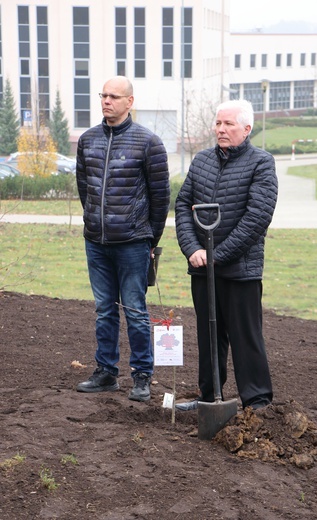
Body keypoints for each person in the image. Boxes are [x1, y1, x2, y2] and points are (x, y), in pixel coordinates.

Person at [175, 99, 278, 411]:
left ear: (246, 129)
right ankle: (208, 398)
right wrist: (192, 249)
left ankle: (257, 402)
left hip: (241, 269)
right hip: (201, 267)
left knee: (246, 336)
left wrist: (217, 255)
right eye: (218, 123)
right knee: (208, 335)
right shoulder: (202, 161)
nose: (221, 129)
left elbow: (257, 217)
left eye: (228, 124)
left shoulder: (261, 163)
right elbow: (182, 205)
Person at [75, 76, 170, 401]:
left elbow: (161, 198)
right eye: (103, 95)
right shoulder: (87, 140)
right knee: (104, 309)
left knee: (135, 309)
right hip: (96, 242)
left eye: (114, 96)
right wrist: (94, 222)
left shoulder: (149, 142)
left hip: (133, 243)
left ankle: (142, 376)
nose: (106, 101)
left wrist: (148, 240)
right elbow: (84, 188)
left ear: (130, 102)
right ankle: (106, 372)